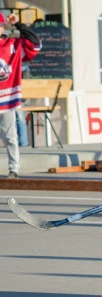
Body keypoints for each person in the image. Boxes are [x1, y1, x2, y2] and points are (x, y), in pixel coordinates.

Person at [0, 13, 40, 178]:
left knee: (10, 136)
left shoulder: (12, 45)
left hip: (6, 99)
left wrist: (19, 24)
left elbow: (34, 44)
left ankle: (13, 169)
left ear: (2, 27)